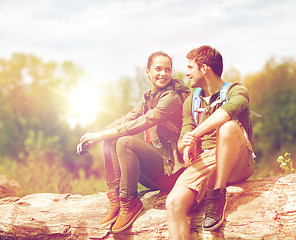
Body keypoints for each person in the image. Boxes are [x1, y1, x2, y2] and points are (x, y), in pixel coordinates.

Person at [76, 51, 190, 233]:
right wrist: (98, 135)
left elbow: (141, 123)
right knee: (110, 140)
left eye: (167, 70)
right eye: (158, 69)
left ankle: (130, 203)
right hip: (157, 171)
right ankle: (116, 199)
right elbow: (128, 118)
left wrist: (101, 135)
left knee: (125, 142)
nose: (163, 74)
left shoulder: (172, 98)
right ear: (147, 71)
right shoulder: (148, 98)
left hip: (174, 172)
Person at [166, 45, 255, 239]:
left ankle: (218, 193)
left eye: (190, 67)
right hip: (206, 160)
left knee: (228, 127)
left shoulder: (237, 90)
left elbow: (227, 113)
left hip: (238, 159)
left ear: (204, 68)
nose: (187, 73)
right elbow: (185, 136)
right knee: (173, 202)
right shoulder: (191, 101)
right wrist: (186, 144)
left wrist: (195, 134)